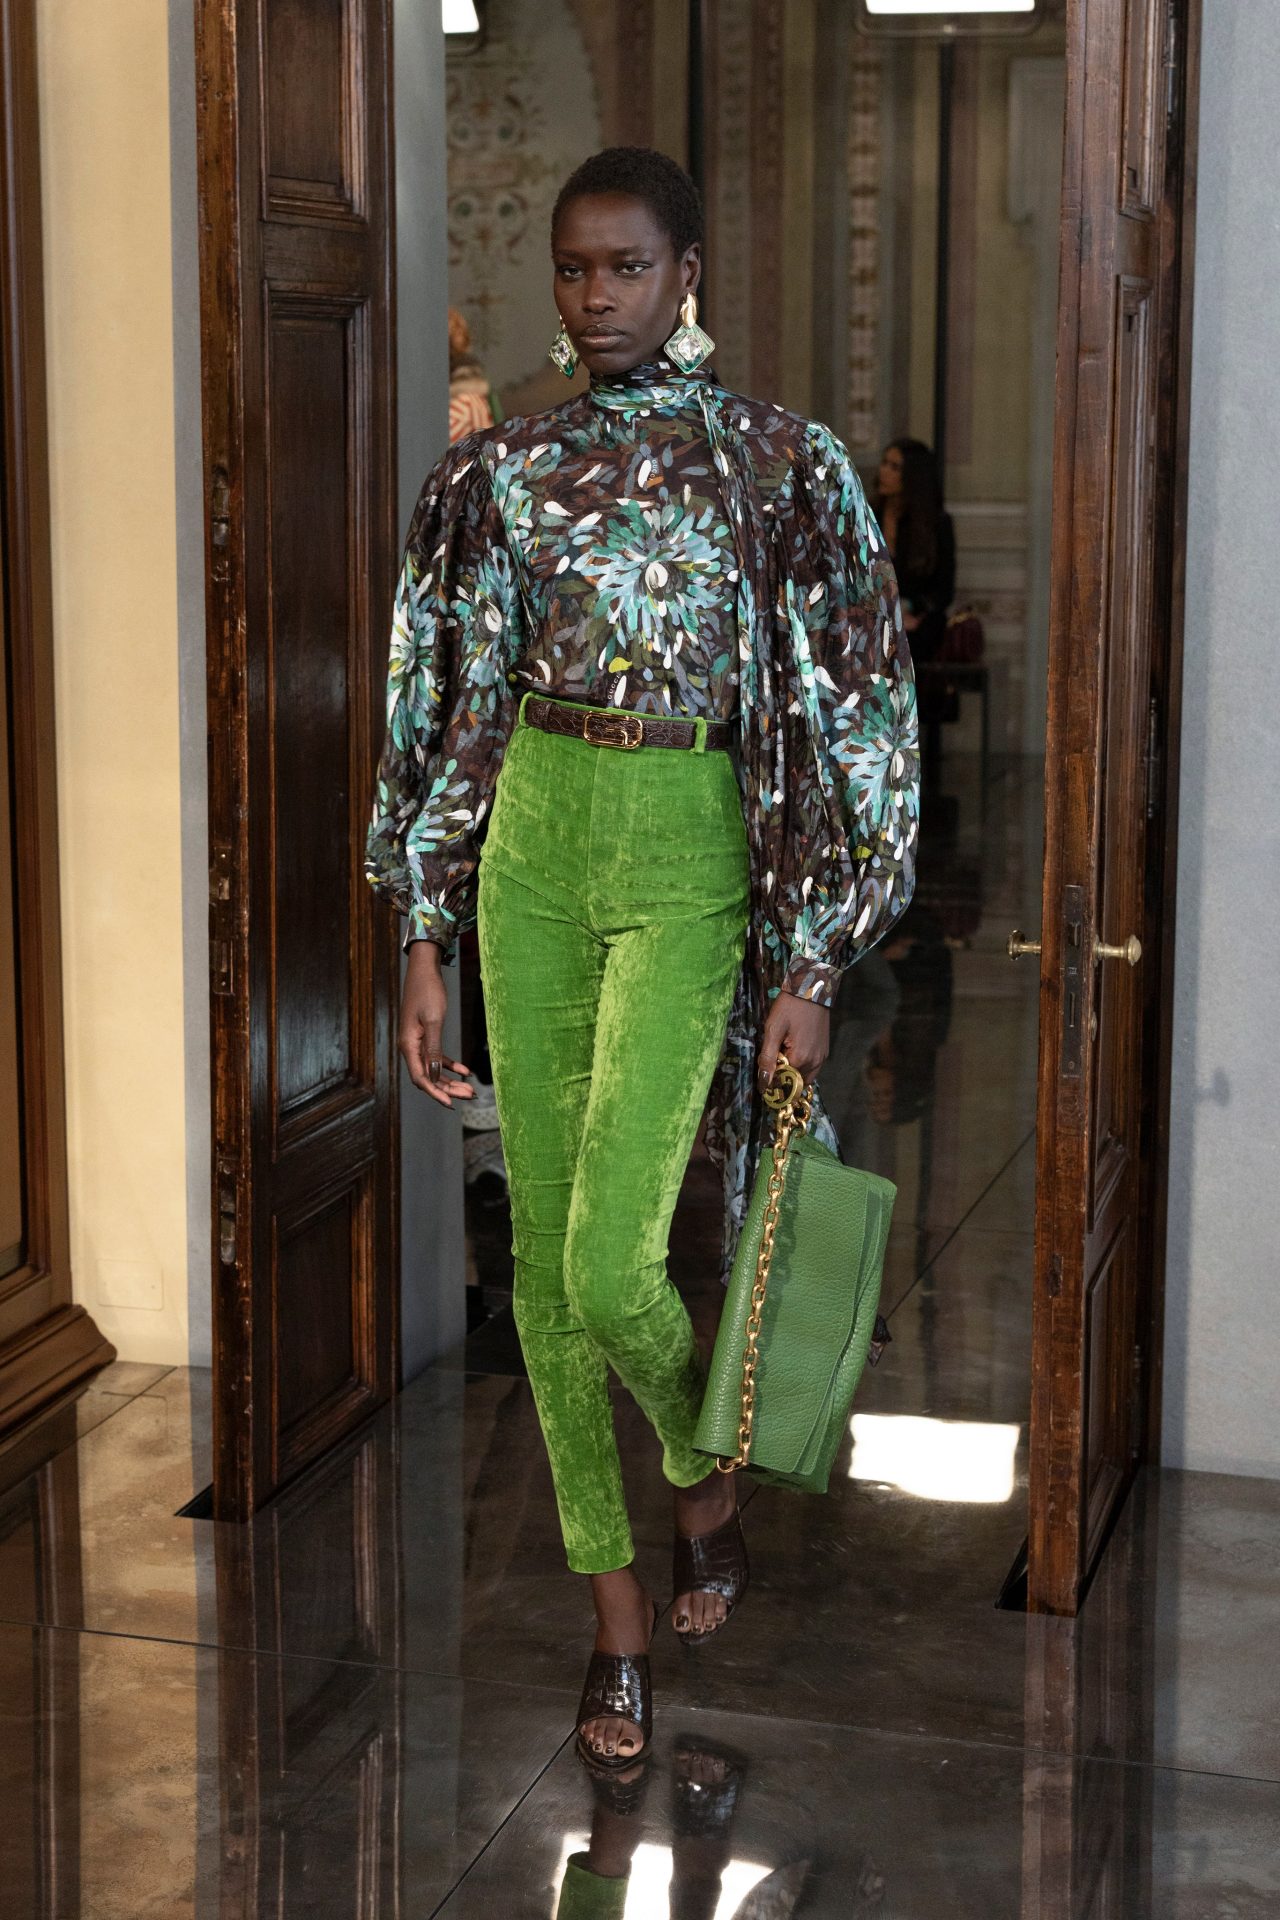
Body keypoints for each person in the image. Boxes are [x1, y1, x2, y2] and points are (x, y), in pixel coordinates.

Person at [365, 146, 919, 1774]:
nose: (596, 296)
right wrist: (423, 922)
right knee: (547, 1277)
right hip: (533, 845)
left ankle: (702, 1476)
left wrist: (815, 960)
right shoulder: (501, 473)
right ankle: (615, 1625)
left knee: (616, 1266)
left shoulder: (783, 468)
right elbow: (448, 699)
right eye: (573, 267)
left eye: (626, 267)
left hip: (690, 852)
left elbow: (861, 721)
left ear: (687, 276)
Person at [873, 438, 955, 664]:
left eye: (894, 467)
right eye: (884, 463)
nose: (884, 471)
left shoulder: (936, 524)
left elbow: (944, 591)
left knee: (908, 642)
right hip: (875, 612)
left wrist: (909, 608)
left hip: (918, 617)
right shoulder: (869, 516)